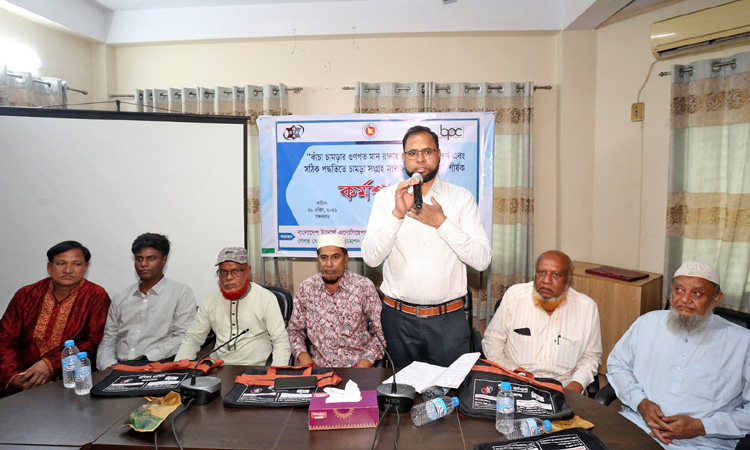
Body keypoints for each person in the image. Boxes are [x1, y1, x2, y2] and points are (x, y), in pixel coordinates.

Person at [362, 125, 491, 367]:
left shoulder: (461, 198)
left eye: (427, 151)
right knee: (402, 390)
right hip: (398, 321)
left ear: (439, 154)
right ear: (403, 158)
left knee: (450, 390)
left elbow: (482, 260)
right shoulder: (386, 198)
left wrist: (441, 222)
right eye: (413, 153)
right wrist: (397, 215)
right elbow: (371, 258)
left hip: (448, 323)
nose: (420, 159)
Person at [608, 261, 750, 450]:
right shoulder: (648, 323)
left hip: (702, 443)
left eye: (696, 293)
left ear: (716, 299)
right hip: (636, 425)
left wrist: (702, 426)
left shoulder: (742, 343)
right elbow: (618, 365)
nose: (685, 299)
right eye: (679, 290)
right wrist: (640, 402)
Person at [0, 241, 110, 396]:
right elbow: (5, 339)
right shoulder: (26, 294)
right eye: (61, 263)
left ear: (85, 268)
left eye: (76, 264)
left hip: (66, 379)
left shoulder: (96, 296)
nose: (68, 270)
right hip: (18, 376)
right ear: (49, 267)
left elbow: (94, 341)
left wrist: (50, 364)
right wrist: (14, 377)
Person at [482, 250, 601, 394]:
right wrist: (511, 374)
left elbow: (590, 357)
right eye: (541, 272)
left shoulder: (587, 308)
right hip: (516, 381)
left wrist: (577, 384)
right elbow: (492, 342)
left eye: (555, 275)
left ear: (568, 279)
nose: (546, 280)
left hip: (563, 387)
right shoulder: (515, 297)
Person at [175, 247, 291, 366]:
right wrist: (178, 369)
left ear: (247, 271)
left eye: (235, 271)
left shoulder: (265, 298)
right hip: (218, 368)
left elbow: (281, 341)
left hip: (257, 368)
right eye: (223, 272)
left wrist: (275, 373)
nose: (229, 277)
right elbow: (192, 339)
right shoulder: (210, 300)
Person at [96, 233, 196, 369]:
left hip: (158, 366)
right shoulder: (121, 297)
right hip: (119, 367)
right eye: (139, 259)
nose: (144, 264)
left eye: (151, 258)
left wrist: (146, 358)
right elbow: (109, 340)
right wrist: (108, 366)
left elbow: (183, 337)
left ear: (164, 260)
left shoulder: (180, 293)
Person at [287, 233, 385, 368]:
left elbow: (380, 334)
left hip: (357, 368)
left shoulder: (363, 287)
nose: (329, 264)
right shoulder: (307, 288)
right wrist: (302, 355)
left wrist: (365, 363)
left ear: (346, 259)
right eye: (324, 258)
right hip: (319, 370)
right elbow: (294, 331)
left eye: (335, 257)